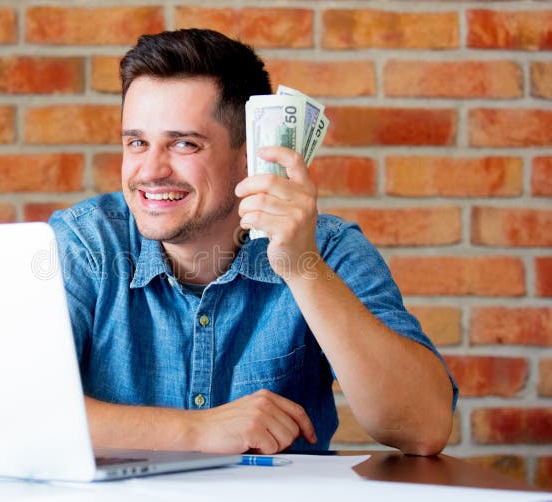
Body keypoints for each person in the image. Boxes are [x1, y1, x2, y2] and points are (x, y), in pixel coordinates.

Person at [49, 28, 457, 456]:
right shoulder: (85, 244)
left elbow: (424, 426)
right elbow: (5, 414)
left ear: (252, 155)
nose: (150, 170)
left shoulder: (326, 248)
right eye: (137, 142)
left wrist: (303, 268)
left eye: (184, 143)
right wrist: (199, 431)